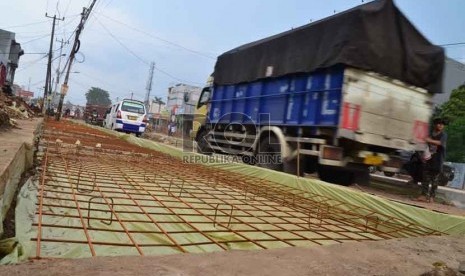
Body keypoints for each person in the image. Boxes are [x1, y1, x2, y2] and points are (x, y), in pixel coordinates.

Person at [417, 118, 447, 202]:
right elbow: (423, 143)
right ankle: (423, 195)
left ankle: (432, 197)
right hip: (429, 158)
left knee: (435, 180)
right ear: (435, 124)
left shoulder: (443, 135)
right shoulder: (430, 134)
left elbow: (440, 143)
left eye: (442, 124)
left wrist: (429, 140)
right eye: (439, 123)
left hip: (438, 159)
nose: (440, 125)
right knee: (425, 177)